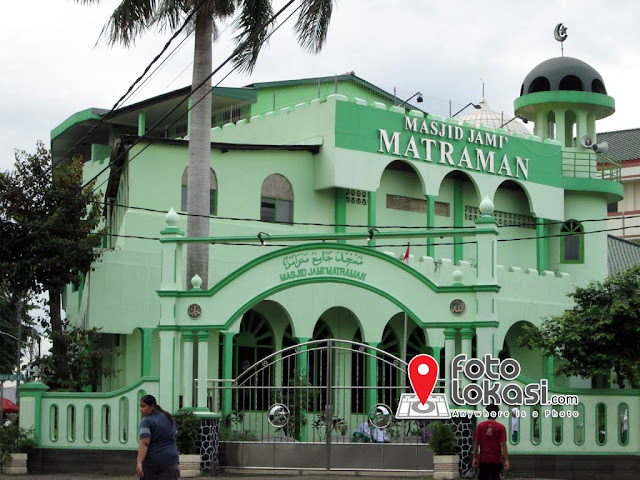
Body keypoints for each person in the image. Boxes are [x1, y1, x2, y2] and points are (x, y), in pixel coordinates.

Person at [136, 394, 179, 479]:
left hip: (153, 464)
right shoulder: (169, 418)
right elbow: (174, 437)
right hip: (171, 461)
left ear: (152, 406)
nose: (141, 409)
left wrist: (139, 462)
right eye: (140, 406)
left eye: (144, 406)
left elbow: (144, 443)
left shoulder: (147, 422)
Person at [472, 404, 510, 480]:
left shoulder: (480, 426)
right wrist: (506, 460)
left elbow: (476, 443)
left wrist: (474, 458)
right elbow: (503, 444)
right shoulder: (501, 427)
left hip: (483, 460)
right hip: (496, 460)